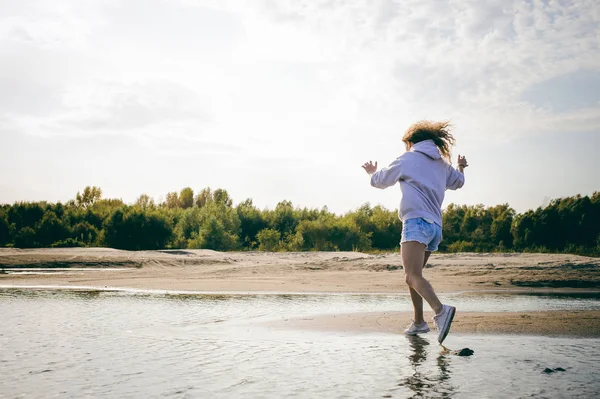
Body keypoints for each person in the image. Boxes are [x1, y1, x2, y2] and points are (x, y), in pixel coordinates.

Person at [362, 120, 468, 344]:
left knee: (412, 275)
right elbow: (458, 182)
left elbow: (381, 181)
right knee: (414, 276)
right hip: (435, 227)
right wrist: (460, 167)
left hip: (416, 223)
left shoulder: (408, 159)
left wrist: (372, 172)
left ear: (411, 142)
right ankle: (419, 322)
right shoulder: (441, 164)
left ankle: (441, 311)